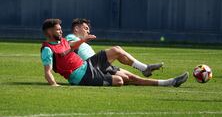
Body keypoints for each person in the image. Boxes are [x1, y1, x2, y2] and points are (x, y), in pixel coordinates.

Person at [41, 18, 189, 87]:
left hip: (89, 65)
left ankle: (164, 81)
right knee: (122, 79)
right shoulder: (52, 46)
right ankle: (153, 74)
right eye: (58, 29)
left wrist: (83, 39)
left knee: (122, 61)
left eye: (61, 28)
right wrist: (54, 85)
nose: (61, 30)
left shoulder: (65, 42)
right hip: (82, 73)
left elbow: (71, 47)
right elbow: (48, 71)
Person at [66, 18, 163, 77]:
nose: (88, 31)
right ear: (76, 28)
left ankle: (168, 82)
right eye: (85, 28)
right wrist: (83, 40)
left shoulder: (85, 43)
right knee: (117, 49)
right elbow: (70, 45)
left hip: (96, 65)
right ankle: (144, 68)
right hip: (88, 67)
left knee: (127, 77)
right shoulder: (71, 37)